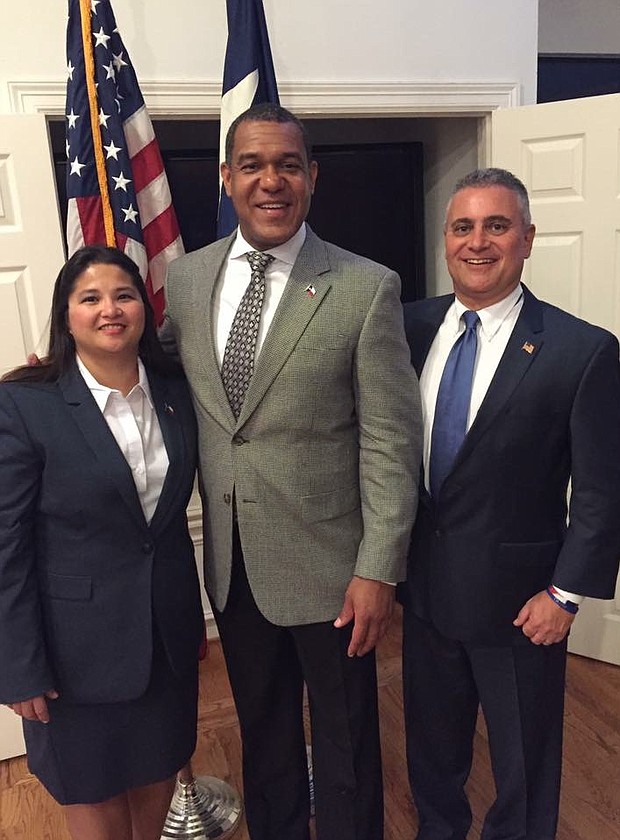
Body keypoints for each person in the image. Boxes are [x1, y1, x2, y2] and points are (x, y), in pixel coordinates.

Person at [162, 102, 422, 840]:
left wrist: (379, 568)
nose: (269, 181)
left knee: (345, 747)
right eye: (252, 165)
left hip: (335, 574)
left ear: (312, 177)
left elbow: (391, 441)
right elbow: (150, 373)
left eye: (286, 165)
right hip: (235, 567)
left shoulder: (365, 287)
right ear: (226, 178)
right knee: (264, 735)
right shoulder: (186, 281)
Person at [400, 168, 620, 840]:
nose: (478, 242)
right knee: (431, 755)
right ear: (445, 240)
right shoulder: (407, 329)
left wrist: (566, 595)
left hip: (521, 606)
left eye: (497, 226)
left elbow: (603, 491)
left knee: (523, 770)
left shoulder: (581, 351)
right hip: (424, 594)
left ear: (526, 238)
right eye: (462, 227)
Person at [0, 246, 204, 840]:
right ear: (66, 316)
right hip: (71, 659)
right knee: (95, 809)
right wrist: (18, 666)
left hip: (163, 644)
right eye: (90, 298)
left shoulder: (176, 394)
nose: (109, 309)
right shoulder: (25, 405)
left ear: (144, 307)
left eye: (124, 295)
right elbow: (6, 546)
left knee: (154, 793)